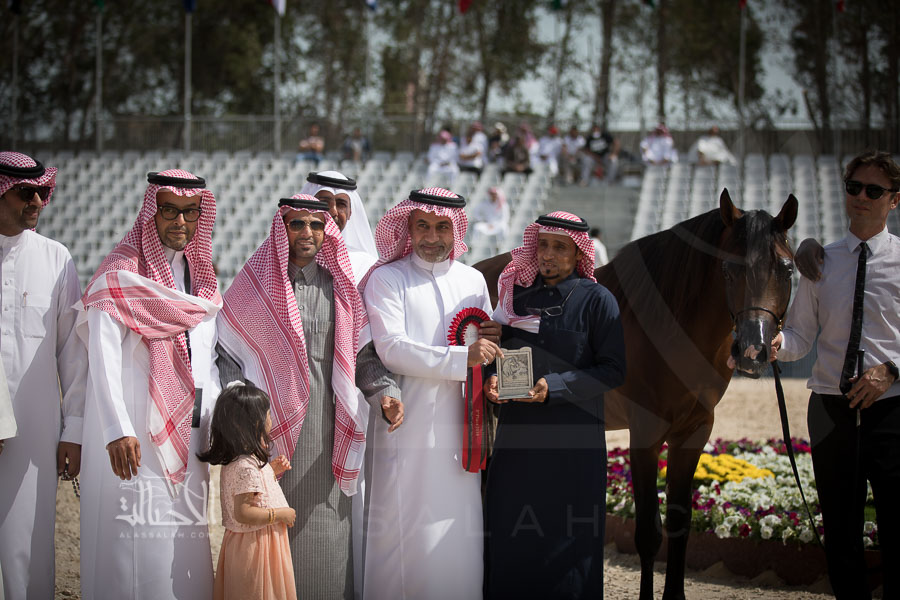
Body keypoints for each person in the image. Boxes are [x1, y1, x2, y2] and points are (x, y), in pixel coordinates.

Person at [216, 194, 403, 599]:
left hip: (327, 432)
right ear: (281, 228)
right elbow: (227, 356)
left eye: (317, 225)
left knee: (326, 531)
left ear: (327, 232)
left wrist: (385, 393)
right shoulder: (254, 285)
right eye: (297, 224)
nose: (307, 232)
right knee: (268, 531)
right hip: (267, 436)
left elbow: (363, 358)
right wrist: (244, 424)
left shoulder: (341, 289)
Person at [77, 169, 222, 599]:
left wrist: (213, 419)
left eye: (190, 213)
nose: (180, 221)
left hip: (189, 433)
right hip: (133, 438)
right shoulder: (120, 274)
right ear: (151, 213)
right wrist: (116, 429)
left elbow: (208, 360)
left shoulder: (202, 281)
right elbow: (102, 356)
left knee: (183, 544)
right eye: (169, 211)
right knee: (133, 547)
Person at [360, 187, 502, 600]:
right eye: (422, 225)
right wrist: (462, 358)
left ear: (456, 231)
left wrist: (489, 366)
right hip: (406, 426)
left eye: (442, 227)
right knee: (404, 531)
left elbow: (483, 346)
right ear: (408, 228)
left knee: (459, 528)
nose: (432, 236)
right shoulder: (387, 279)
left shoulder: (473, 280)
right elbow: (391, 348)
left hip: (464, 428)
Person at [770, 150, 900, 599]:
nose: (861, 197)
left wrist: (892, 370)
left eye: (874, 190)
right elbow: (800, 337)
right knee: (840, 531)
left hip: (892, 408)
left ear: (894, 200)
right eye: (853, 187)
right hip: (829, 409)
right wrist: (775, 343)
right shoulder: (819, 262)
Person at [483, 211, 626, 599]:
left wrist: (555, 387)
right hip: (516, 443)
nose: (547, 254)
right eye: (542, 245)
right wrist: (492, 376)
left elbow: (613, 370)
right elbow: (498, 352)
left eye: (559, 247)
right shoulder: (515, 295)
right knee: (510, 531)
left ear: (579, 253)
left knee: (568, 543)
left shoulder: (598, 300)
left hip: (573, 448)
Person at [0, 151, 87, 600]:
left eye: (42, 192)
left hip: (34, 431)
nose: (37, 202)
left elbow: (73, 352)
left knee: (29, 540)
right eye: (24, 193)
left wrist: (73, 430)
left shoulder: (56, 258)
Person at [198, 383, 297, 600]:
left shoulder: (241, 461)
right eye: (268, 414)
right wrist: (282, 514)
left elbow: (252, 490)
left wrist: (270, 471)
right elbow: (243, 513)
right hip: (256, 548)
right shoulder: (246, 466)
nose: (271, 418)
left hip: (249, 544)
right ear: (254, 423)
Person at [301, 170, 378, 281]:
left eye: (341, 204)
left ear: (350, 212)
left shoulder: (366, 265)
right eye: (324, 203)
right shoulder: (292, 260)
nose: (333, 212)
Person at [471, 186, 510, 250]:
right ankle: (474, 246)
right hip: (487, 224)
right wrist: (482, 220)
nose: (493, 196)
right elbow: (475, 212)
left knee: (504, 227)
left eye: (494, 194)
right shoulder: (484, 203)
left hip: (498, 225)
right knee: (477, 227)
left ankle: (502, 246)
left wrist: (494, 224)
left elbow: (505, 218)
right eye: (492, 194)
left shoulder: (503, 205)